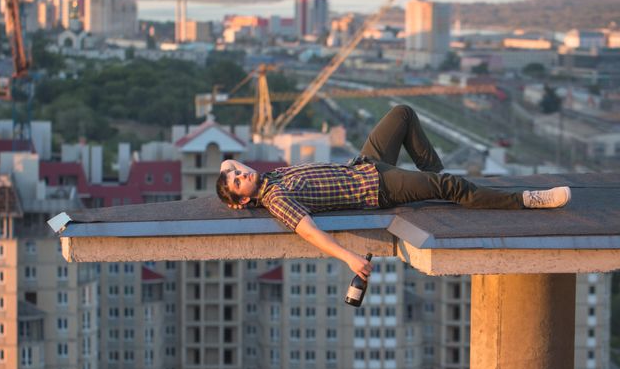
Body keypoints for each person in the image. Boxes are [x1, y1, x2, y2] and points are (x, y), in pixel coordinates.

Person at [215, 105, 571, 281]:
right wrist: (350, 258)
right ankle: (527, 200)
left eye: (236, 171)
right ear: (244, 200)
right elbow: (309, 231)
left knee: (402, 114)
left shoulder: (270, 177)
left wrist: (226, 173)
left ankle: (433, 177)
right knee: (452, 188)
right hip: (376, 187)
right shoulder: (276, 199)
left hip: (364, 164)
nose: (238, 172)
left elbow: (226, 161)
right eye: (236, 181)